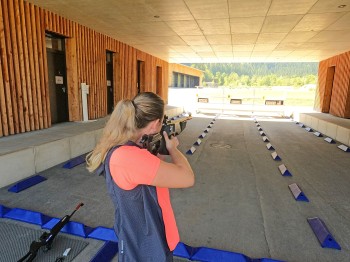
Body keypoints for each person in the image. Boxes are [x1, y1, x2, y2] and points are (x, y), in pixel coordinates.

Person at [86, 92, 195, 261]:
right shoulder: (129, 157)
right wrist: (173, 148)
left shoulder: (127, 147)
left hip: (144, 239)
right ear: (155, 124)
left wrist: (159, 149)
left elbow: (154, 172)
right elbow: (187, 177)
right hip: (146, 247)